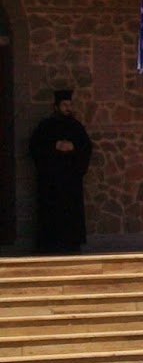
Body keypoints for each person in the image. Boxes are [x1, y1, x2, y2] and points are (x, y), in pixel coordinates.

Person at [29, 89, 93, 254]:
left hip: (71, 180)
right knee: (51, 213)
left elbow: (86, 148)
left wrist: (74, 147)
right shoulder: (45, 127)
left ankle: (72, 244)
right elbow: (35, 147)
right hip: (51, 181)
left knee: (71, 213)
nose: (68, 108)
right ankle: (50, 245)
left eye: (69, 105)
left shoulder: (76, 127)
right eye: (64, 105)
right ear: (56, 107)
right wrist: (54, 146)